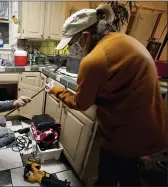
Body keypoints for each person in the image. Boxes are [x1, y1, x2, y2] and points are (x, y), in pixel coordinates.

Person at [45, 4, 168, 186]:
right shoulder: (123, 40)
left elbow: (81, 103)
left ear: (86, 36)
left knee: (108, 177)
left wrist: (55, 89)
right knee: (128, 174)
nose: (71, 49)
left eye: (71, 43)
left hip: (125, 135)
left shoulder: (94, 60)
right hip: (151, 128)